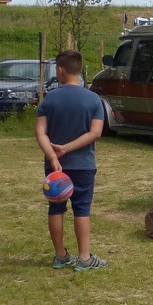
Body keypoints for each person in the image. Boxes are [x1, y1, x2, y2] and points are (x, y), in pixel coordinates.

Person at [35, 50, 108, 271]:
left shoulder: (49, 99)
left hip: (55, 168)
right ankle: (84, 258)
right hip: (84, 165)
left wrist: (53, 156)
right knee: (82, 209)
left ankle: (60, 255)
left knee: (55, 208)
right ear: (80, 70)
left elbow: (40, 132)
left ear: (59, 70)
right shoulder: (93, 99)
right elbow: (95, 133)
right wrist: (67, 148)